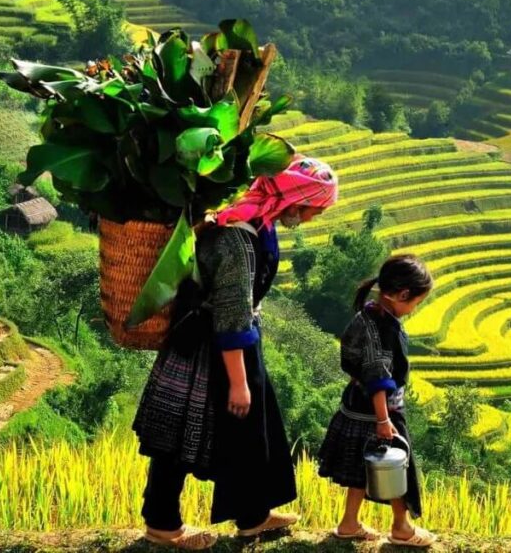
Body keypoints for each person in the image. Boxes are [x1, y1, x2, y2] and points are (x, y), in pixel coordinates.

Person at [132, 156, 339, 550]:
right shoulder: (235, 238)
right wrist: (240, 383)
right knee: (177, 436)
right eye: (314, 209)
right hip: (208, 347)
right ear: (297, 199)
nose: (312, 218)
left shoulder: (259, 223)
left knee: (252, 432)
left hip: (237, 341)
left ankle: (253, 515)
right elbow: (230, 314)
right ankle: (161, 524)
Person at [317, 254, 437, 547]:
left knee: (363, 466)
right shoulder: (381, 327)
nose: (413, 309)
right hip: (380, 410)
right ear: (402, 294)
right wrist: (384, 420)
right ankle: (401, 527)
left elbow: (356, 365)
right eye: (415, 303)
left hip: (357, 404)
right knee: (396, 463)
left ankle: (349, 523)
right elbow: (377, 376)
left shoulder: (367, 314)